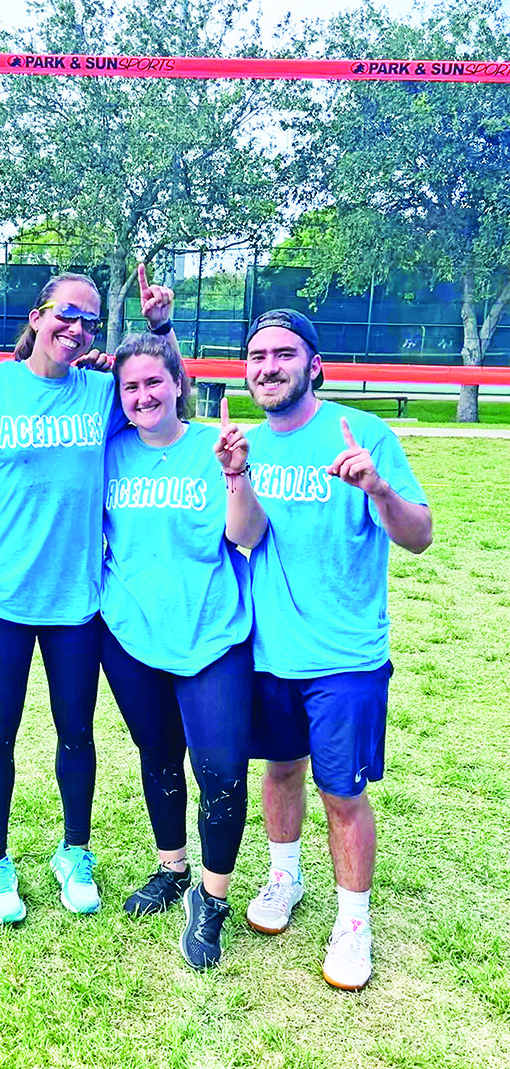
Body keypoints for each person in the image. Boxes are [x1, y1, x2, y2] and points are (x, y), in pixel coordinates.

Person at [0, 271, 161, 926]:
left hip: (77, 598)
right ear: (38, 315)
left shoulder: (102, 393)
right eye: (67, 314)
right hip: (0, 592)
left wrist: (158, 328)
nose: (78, 329)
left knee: (76, 731)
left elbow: (164, 394)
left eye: (90, 322)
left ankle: (74, 853)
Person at [241, 308, 433, 990]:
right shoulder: (246, 447)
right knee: (279, 770)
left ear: (314, 365)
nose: (269, 367)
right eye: (258, 356)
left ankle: (354, 923)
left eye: (284, 354)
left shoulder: (364, 434)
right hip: (266, 652)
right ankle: (284, 877)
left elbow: (419, 536)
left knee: (342, 793)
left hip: (345, 658)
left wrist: (378, 488)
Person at [100, 325, 267, 970]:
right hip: (131, 632)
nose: (143, 395)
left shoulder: (213, 447)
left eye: (154, 382)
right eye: (131, 386)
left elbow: (245, 535)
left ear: (178, 384)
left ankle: (212, 897)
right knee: (160, 754)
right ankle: (172, 869)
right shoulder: (110, 452)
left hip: (213, 633)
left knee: (221, 769)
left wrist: (235, 475)